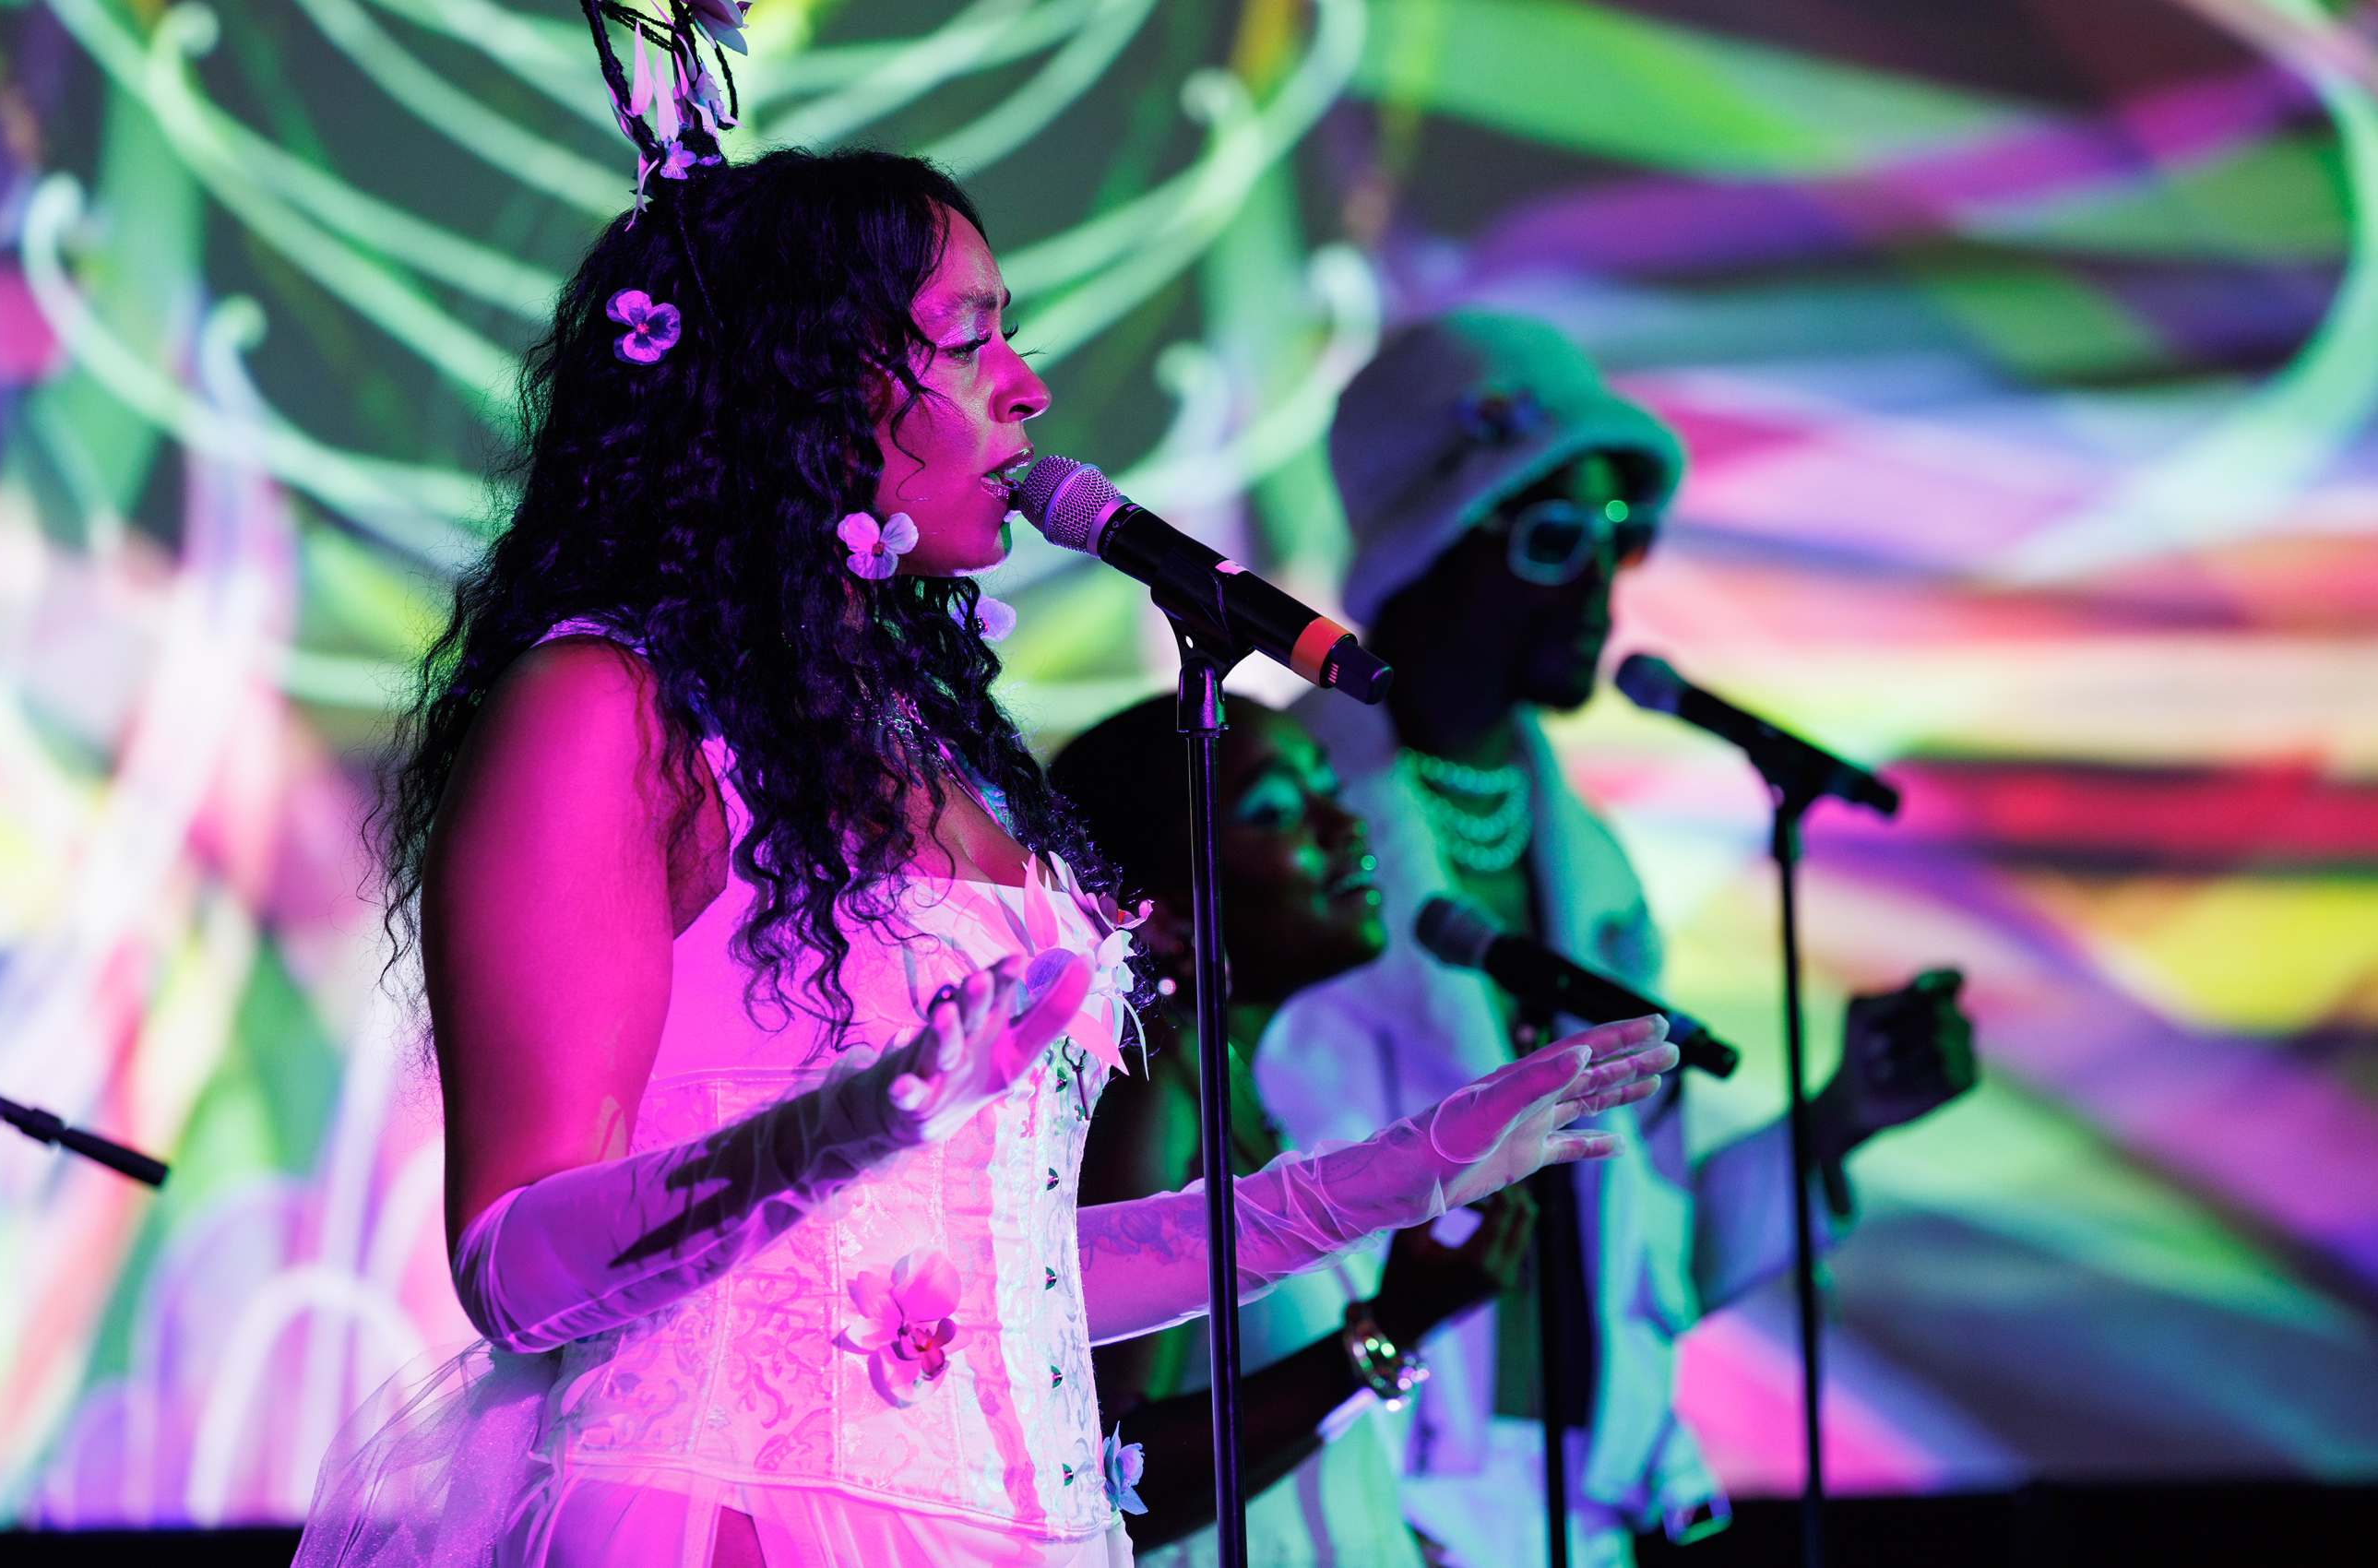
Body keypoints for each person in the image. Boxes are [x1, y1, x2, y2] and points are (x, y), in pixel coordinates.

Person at [292, 15, 1682, 1565]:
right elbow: (514, 1270)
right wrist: (831, 1132)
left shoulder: (936, 750)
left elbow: (1016, 1279)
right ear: (802, 395)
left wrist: (1405, 1171)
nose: (1025, 390)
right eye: (968, 340)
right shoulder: (606, 709)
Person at [1255, 312, 1978, 1568]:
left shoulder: (1590, 872)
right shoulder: (1283, 834)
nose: (1601, 586)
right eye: (1551, 540)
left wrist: (1841, 1119)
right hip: (1353, 1505)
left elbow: (1654, 1259)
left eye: (1618, 541)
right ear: (1428, 554)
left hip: (1586, 1515)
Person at [1052, 694, 1535, 1568]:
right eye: (1275, 811)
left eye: (1326, 789)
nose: (1344, 823)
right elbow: (1105, 1472)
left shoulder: (1229, 1084)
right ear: (1155, 907)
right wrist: (1385, 1331)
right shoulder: (1150, 1088)